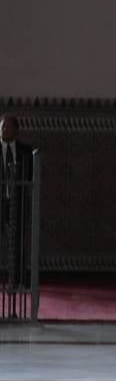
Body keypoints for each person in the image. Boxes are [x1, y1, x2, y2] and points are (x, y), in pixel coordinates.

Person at [1, 114, 34, 294]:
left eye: (7, 127)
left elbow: (30, 177)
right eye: (1, 127)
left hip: (17, 203)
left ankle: (18, 281)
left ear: (16, 130)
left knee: (17, 243)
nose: (3, 130)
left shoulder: (25, 151)